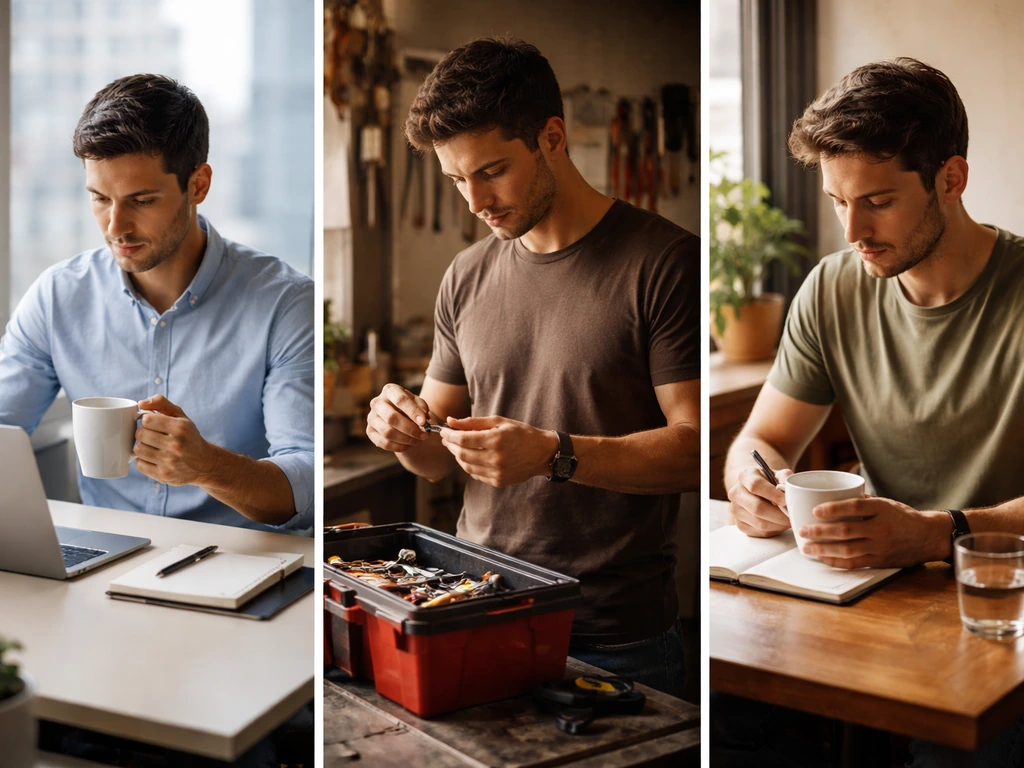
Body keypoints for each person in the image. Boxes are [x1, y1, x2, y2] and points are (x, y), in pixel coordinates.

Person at [365, 37, 700, 698]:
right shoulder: (465, 275)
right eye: (456, 179)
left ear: (552, 137)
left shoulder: (664, 262)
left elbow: (695, 451)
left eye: (491, 171)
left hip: (612, 638)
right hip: (473, 609)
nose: (474, 201)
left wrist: (554, 455)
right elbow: (435, 459)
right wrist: (403, 432)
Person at [718, 57, 1024, 767]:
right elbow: (763, 436)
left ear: (951, 179)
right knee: (734, 713)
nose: (852, 229)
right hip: (873, 597)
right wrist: (749, 479)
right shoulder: (833, 288)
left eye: (878, 201)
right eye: (836, 200)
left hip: (1003, 606)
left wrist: (932, 534)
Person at [0, 74, 314, 535]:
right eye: (99, 198)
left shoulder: (284, 303)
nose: (115, 225)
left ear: (198, 184)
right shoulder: (56, 297)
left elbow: (305, 485)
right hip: (105, 561)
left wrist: (208, 466)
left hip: (242, 565)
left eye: (141, 200)